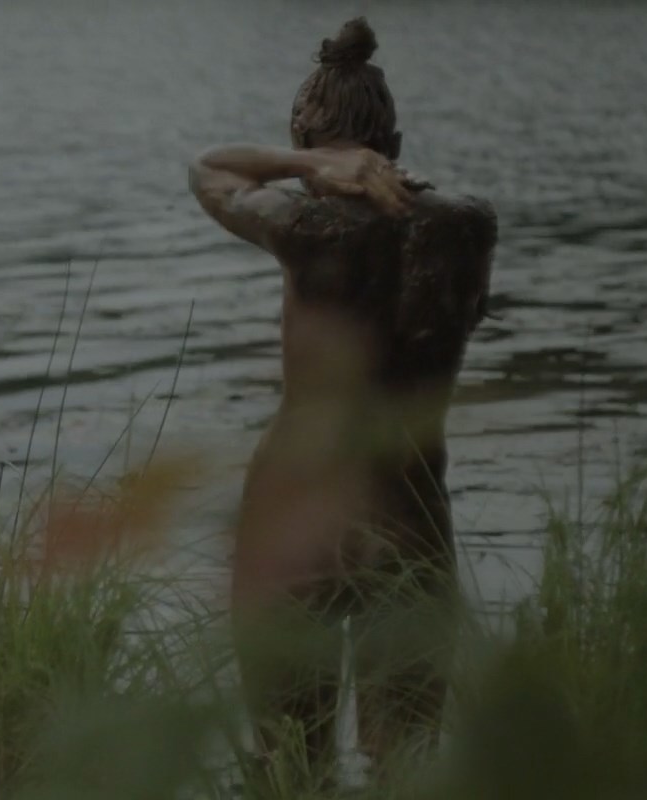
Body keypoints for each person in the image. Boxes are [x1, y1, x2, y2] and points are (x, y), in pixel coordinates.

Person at [185, 16, 498, 787]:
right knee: (407, 766)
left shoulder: (305, 223)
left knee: (289, 764)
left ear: (305, 141)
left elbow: (210, 169)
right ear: (394, 140)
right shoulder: (468, 225)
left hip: (299, 513)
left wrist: (307, 166)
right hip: (411, 511)